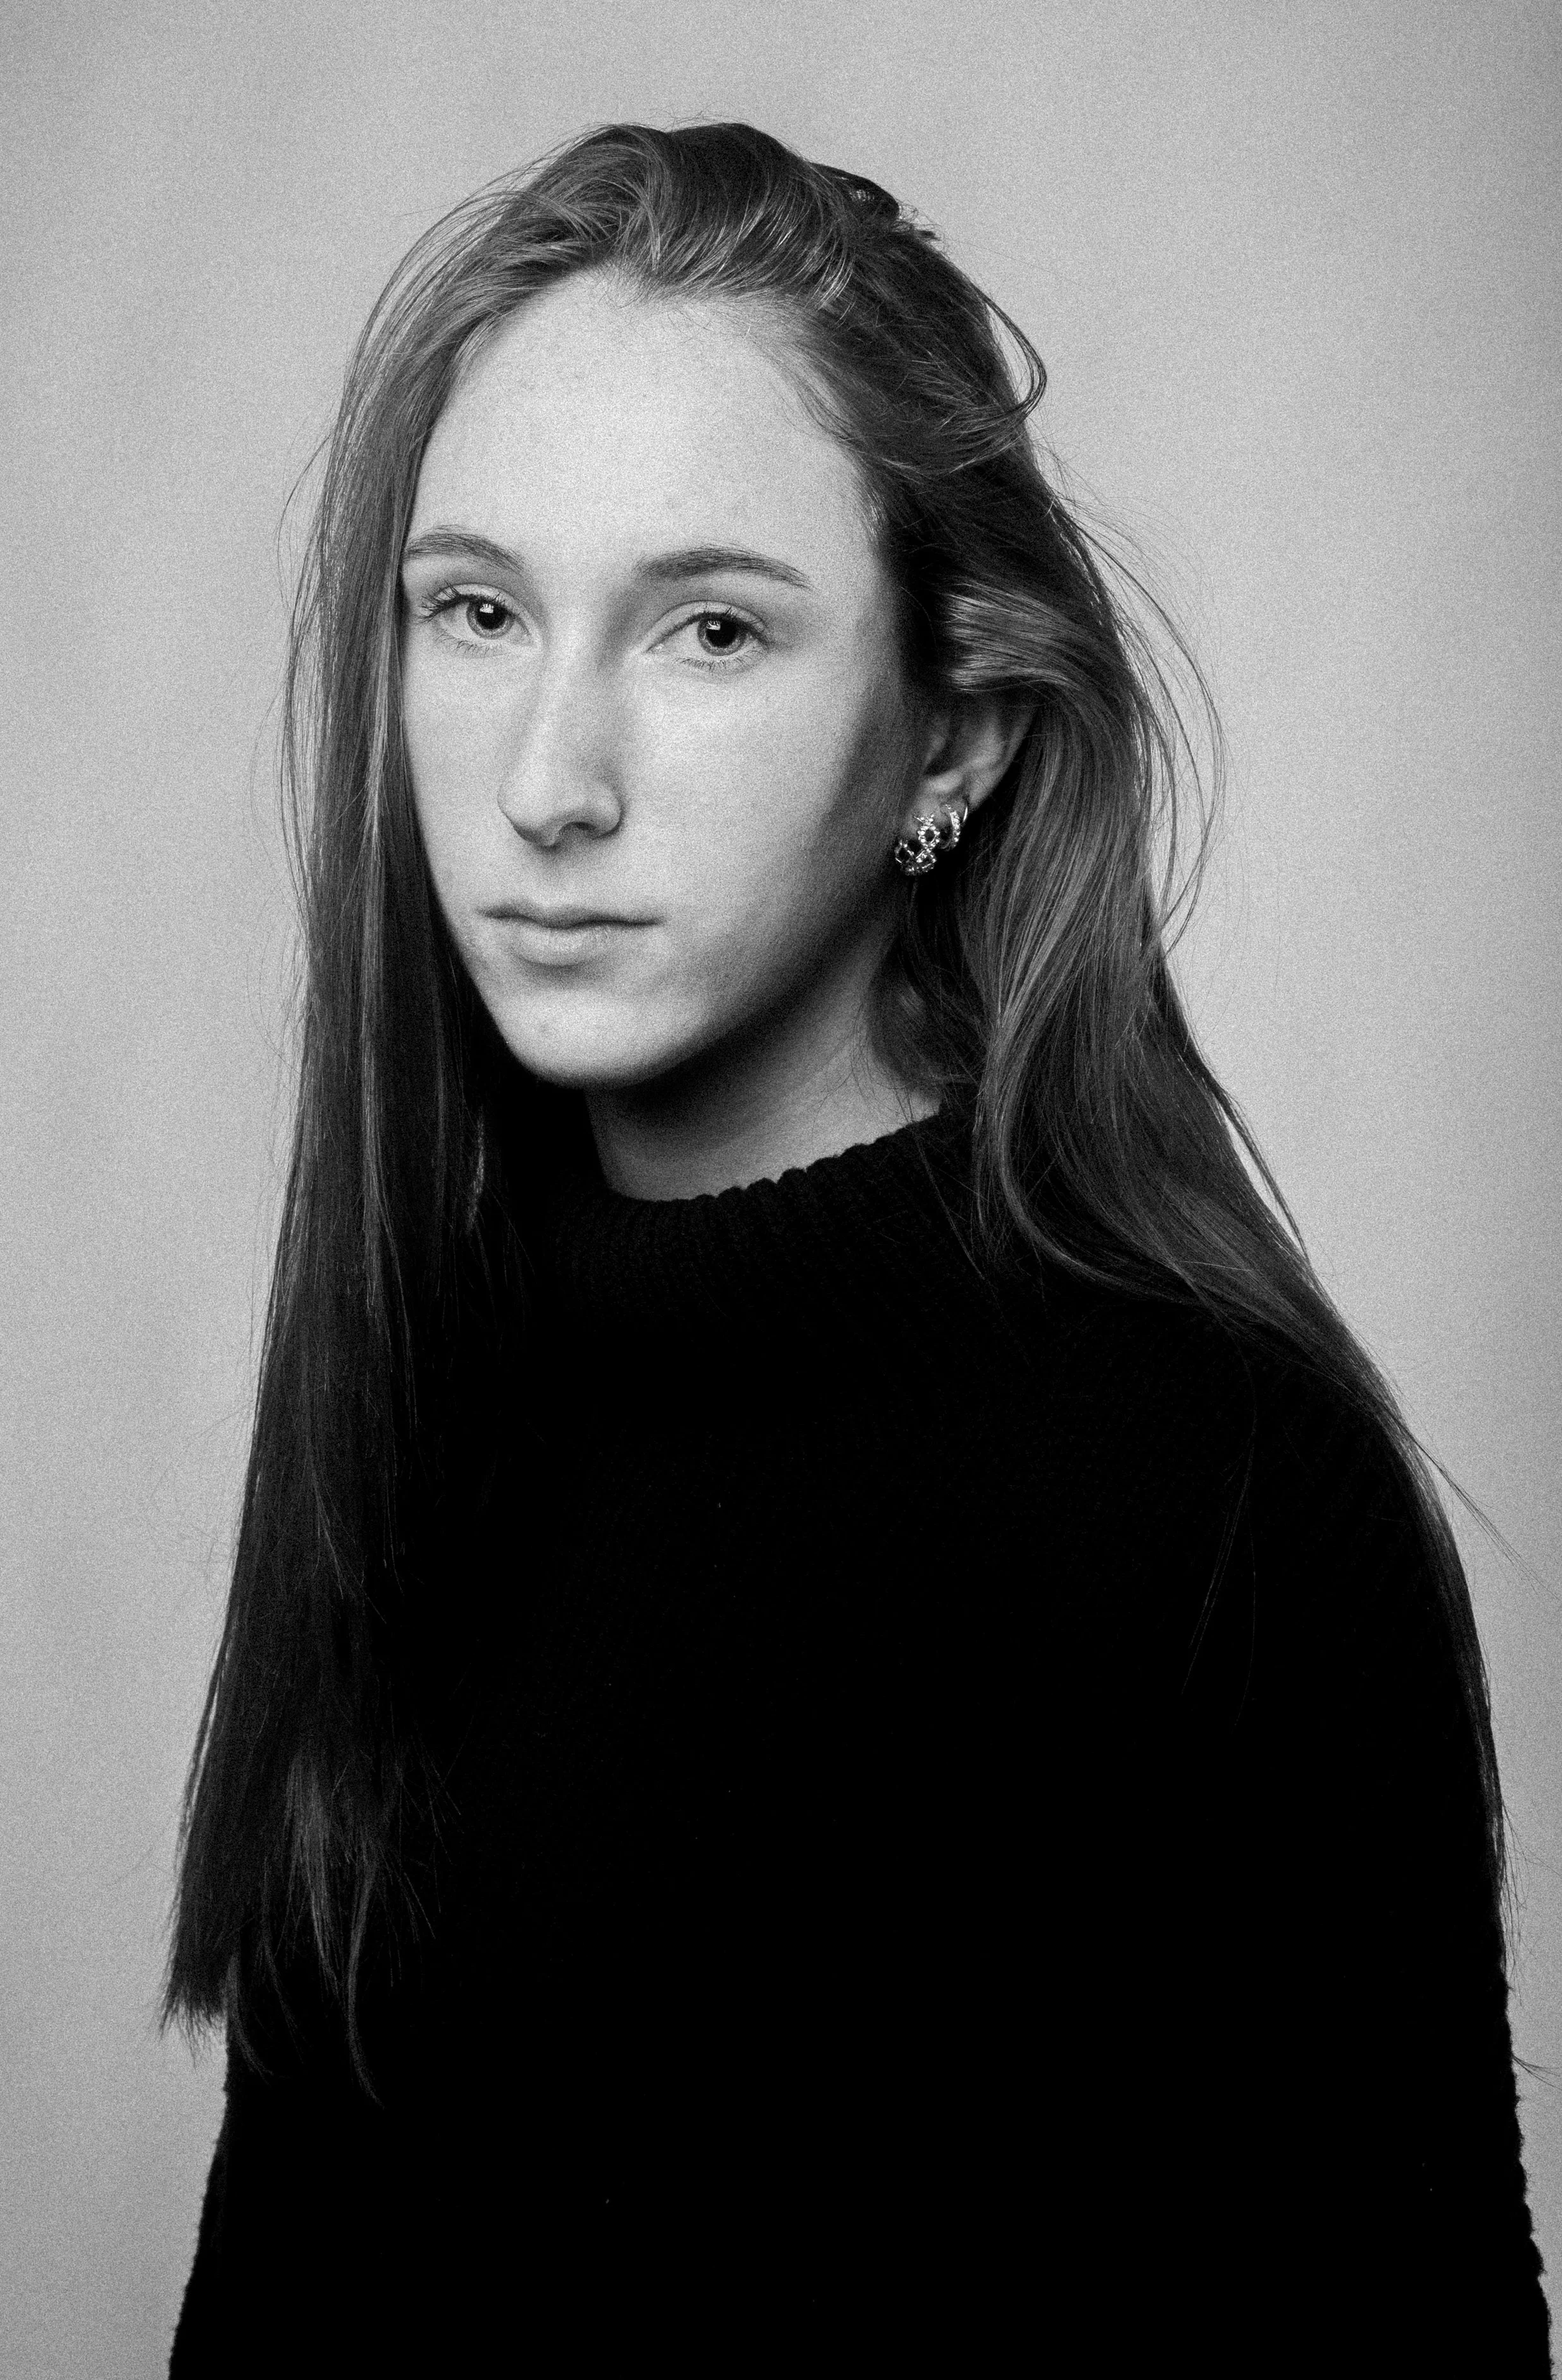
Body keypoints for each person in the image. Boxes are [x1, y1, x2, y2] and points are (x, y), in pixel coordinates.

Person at [165, 121, 1550, 2372]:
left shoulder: (1211, 1493)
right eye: (476, 609)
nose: (548, 777)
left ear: (958, 738)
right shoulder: (432, 1386)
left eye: (710, 627)